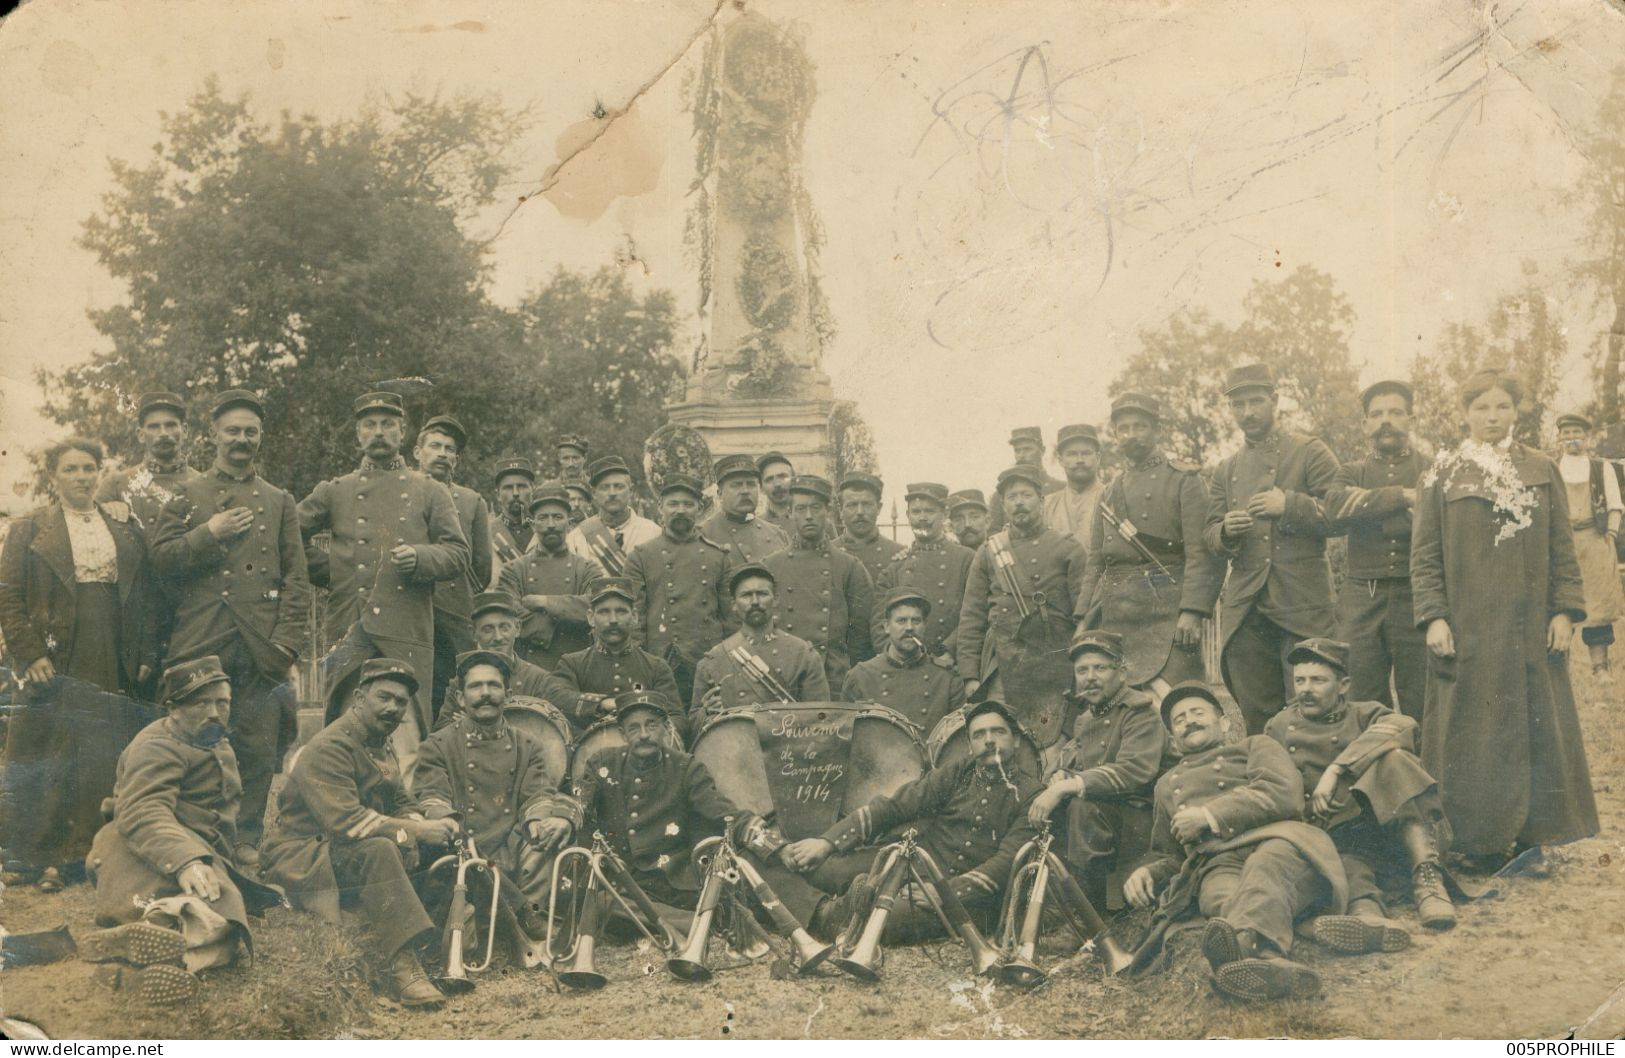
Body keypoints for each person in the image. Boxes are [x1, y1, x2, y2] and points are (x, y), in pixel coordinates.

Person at [1411, 369, 1599, 863]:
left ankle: (1537, 836)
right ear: (1464, 413)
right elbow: (1425, 554)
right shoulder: (1443, 472)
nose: (1492, 418)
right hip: (1467, 629)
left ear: (1516, 412)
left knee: (1536, 726)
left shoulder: (1541, 467)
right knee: (1469, 731)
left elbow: (1563, 547)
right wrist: (1434, 617)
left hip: (1529, 626)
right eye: (1481, 408)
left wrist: (1564, 612)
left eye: (1501, 407)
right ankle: (1472, 841)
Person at [1123, 682, 1386, 1003]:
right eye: (1179, 720)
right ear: (1174, 741)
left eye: (1197, 713)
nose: (1188, 721)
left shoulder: (1255, 746)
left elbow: (1283, 793)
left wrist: (1208, 815)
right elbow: (1174, 856)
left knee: (1264, 872)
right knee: (1220, 896)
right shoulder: (1165, 786)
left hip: (1279, 842)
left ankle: (1259, 957)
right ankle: (1282, 950)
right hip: (1215, 863)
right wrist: (1148, 873)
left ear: (1225, 723)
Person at [151, 390, 310, 858]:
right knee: (197, 740)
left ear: (260, 438)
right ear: (214, 435)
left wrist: (286, 645)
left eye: (250, 432)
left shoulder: (279, 501)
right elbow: (160, 561)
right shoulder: (187, 494)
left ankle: (245, 839)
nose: (241, 439)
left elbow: (297, 579)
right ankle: (194, 835)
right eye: (232, 431)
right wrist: (208, 534)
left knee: (256, 746)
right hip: (204, 636)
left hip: (261, 644)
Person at [0, 438, 156, 893]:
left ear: (99, 473)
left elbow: (142, 596)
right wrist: (30, 654)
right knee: (44, 751)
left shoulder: (122, 526)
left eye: (89, 468)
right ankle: (28, 855)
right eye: (70, 469)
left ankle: (76, 856)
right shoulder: (30, 528)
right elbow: (8, 596)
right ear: (54, 477)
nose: (81, 477)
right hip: (53, 652)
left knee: (97, 753)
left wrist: (144, 653)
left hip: (108, 649)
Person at [260, 659, 459, 1008]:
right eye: (384, 697)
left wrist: (414, 826)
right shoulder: (330, 746)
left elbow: (400, 799)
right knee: (380, 849)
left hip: (343, 848)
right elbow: (347, 823)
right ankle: (403, 966)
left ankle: (483, 934)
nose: (393, 708)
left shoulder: (380, 740)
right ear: (358, 697)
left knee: (446, 842)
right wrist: (412, 832)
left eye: (400, 702)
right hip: (306, 855)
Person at [84, 657, 284, 1001]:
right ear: (173, 708)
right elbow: (142, 811)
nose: (214, 712)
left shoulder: (213, 739)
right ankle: (155, 939)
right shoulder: (156, 745)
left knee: (226, 911)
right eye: (200, 702)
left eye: (222, 702)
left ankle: (141, 953)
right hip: (138, 845)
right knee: (224, 918)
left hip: (185, 846)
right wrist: (188, 861)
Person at [297, 391, 471, 770]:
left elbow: (458, 553)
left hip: (406, 630)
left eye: (388, 424)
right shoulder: (336, 490)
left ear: (403, 431)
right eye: (370, 425)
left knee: (406, 740)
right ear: (358, 435)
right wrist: (336, 569)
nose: (379, 432)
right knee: (346, 734)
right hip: (350, 630)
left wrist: (421, 558)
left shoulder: (430, 490)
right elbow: (287, 539)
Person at [779, 699, 1042, 938]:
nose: (989, 741)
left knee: (884, 918)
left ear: (1016, 740)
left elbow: (1006, 862)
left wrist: (945, 894)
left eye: (999, 732)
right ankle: (833, 910)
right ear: (971, 746)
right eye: (979, 734)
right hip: (915, 864)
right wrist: (827, 843)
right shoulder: (959, 771)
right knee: (821, 868)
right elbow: (895, 807)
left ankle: (826, 915)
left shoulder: (1032, 794)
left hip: (968, 899)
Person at [1263, 639, 1455, 931]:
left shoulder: (1365, 714)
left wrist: (1338, 769)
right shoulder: (1278, 725)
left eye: (1318, 680)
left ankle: (1427, 879)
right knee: (1349, 874)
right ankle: (1368, 917)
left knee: (1396, 759)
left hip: (1379, 827)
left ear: (1343, 685)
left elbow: (1405, 726)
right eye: (1299, 680)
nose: (1306, 689)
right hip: (1324, 833)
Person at [544, 690, 790, 917]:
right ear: (622, 733)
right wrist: (563, 817)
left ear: (665, 727)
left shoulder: (685, 767)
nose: (643, 735)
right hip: (616, 871)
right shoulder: (602, 761)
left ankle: (662, 916)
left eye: (651, 725)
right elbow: (579, 797)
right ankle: (677, 920)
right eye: (634, 728)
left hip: (666, 878)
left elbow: (722, 812)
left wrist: (773, 845)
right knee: (572, 897)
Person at [1203, 363, 1341, 734]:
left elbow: (1342, 513)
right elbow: (1210, 537)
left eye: (1256, 401)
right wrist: (1226, 531)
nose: (1247, 412)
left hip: (1302, 605)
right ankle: (1268, 785)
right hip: (1248, 609)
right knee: (1258, 716)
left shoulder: (1310, 452)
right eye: (1238, 405)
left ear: (1275, 401)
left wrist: (1291, 506)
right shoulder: (1225, 470)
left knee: (1311, 711)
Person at [414, 650, 573, 938]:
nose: (485, 694)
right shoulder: (438, 744)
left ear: (508, 694)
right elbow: (431, 795)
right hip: (462, 844)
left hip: (508, 843)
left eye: (494, 685)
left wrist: (537, 820)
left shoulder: (529, 745)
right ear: (461, 698)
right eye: (476, 686)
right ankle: (517, 917)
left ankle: (526, 917)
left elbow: (537, 795)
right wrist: (447, 821)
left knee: (545, 835)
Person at [1077, 393, 1219, 697]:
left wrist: (1192, 611)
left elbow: (1200, 553)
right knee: (1120, 701)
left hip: (1168, 610)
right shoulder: (1110, 492)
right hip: (1119, 611)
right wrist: (1082, 618)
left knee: (1180, 699)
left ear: (1157, 431)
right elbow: (1096, 562)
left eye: (1139, 427)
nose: (1131, 435)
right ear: (1115, 435)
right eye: (1123, 428)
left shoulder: (1184, 480)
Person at [1027, 631, 1166, 910]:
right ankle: (1047, 905)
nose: (1090, 677)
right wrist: (1062, 775)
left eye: (1100, 668)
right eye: (1082, 670)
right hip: (1106, 819)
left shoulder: (1139, 712)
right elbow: (1079, 763)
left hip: (1141, 822)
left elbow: (1133, 770)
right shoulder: (1087, 718)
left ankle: (1091, 918)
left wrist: (1068, 786)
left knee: (1081, 809)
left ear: (1122, 673)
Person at [1324, 380, 1431, 720]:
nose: (1386, 420)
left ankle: (1423, 771)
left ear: (1411, 419)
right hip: (1362, 598)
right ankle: (1372, 771)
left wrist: (1368, 505)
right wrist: (1402, 498)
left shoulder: (1433, 470)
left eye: (1396, 412)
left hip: (1418, 594)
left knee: (1424, 695)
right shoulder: (1351, 471)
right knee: (1361, 695)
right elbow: (1335, 507)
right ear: (1365, 424)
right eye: (1377, 414)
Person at [956, 465, 1087, 738]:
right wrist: (970, 676)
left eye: (1026, 495)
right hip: (1005, 667)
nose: (1019, 502)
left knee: (1059, 740)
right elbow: (971, 618)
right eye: (1011, 497)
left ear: (1041, 501)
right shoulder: (988, 552)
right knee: (1004, 736)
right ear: (1003, 505)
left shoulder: (1068, 548)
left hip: (1057, 665)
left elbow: (1084, 615)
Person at [94, 391, 202, 686]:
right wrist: (105, 512)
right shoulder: (116, 485)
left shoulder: (203, 485)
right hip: (132, 615)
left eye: (171, 425)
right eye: (154, 426)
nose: (163, 433)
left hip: (186, 612)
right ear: (141, 434)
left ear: (185, 431)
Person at [624, 474, 735, 707]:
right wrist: (640, 665)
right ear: (660, 507)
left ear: (699, 508)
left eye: (688, 504)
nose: (681, 510)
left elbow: (731, 621)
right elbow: (634, 620)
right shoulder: (641, 557)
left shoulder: (718, 557)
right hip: (662, 661)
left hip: (707, 659)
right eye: (673, 504)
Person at [414, 414, 494, 720]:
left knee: (452, 696)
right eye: (435, 445)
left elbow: (481, 569)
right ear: (417, 452)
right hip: (410, 610)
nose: (442, 454)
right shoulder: (401, 491)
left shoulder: (471, 501)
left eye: (449, 449)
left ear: (456, 460)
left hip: (454, 615)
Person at [763, 475, 875, 687]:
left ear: (828, 511)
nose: (808, 516)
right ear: (790, 513)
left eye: (815, 508)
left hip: (832, 676)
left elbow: (861, 634)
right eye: (801, 509)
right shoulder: (771, 566)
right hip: (783, 674)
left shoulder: (849, 566)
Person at [692, 564, 830, 726]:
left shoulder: (802, 654)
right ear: (734, 605)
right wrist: (706, 712)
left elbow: (821, 719)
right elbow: (694, 723)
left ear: (776, 599)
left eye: (762, 594)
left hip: (788, 747)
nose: (755, 601)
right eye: (746, 595)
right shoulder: (714, 660)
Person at [554, 577, 684, 738]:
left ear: (635, 616)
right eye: (604, 612)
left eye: (621, 611)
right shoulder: (572, 663)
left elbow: (678, 720)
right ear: (590, 618)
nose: (613, 620)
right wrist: (601, 704)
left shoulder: (657, 667)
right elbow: (557, 698)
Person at [434, 592, 580, 728]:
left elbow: (554, 729)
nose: (498, 637)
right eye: (488, 629)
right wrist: (460, 727)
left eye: (504, 628)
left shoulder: (537, 679)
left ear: (517, 629)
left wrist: (477, 724)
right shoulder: (460, 681)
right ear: (473, 633)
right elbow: (441, 730)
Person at [498, 483, 604, 670]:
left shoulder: (588, 569)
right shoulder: (513, 570)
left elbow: (597, 607)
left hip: (577, 667)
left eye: (557, 517)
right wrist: (563, 622)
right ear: (532, 523)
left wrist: (546, 602)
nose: (551, 525)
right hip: (528, 667)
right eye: (543, 518)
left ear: (569, 522)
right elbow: (508, 613)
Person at [870, 482, 973, 664]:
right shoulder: (896, 567)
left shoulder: (966, 559)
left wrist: (950, 650)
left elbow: (974, 615)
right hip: (906, 664)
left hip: (950, 662)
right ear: (908, 516)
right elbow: (880, 624)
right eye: (916, 512)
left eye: (929, 511)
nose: (922, 518)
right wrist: (897, 656)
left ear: (945, 514)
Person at [1554, 412, 1623, 680]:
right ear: (1560, 437)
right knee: (1561, 602)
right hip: (1563, 544)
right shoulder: (1554, 466)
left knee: (1599, 608)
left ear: (1587, 437)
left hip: (1594, 541)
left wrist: (1610, 536)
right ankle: (1559, 668)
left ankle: (1600, 667)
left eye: (1577, 433)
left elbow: (1615, 505)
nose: (1572, 438)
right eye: (1566, 433)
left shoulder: (1600, 467)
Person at [841, 587, 965, 734]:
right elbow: (846, 738)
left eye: (916, 621)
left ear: (925, 626)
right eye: (901, 621)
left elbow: (957, 741)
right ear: (886, 627)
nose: (909, 628)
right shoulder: (860, 676)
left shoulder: (946, 677)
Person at [565, 455, 661, 575]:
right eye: (604, 488)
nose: (612, 493)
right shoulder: (577, 538)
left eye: (618, 486)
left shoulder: (653, 533)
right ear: (594, 493)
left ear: (631, 491)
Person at [702, 453, 789, 564]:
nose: (745, 491)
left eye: (751, 484)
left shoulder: (778, 535)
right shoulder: (703, 535)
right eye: (736, 485)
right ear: (720, 493)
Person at [834, 472, 905, 588]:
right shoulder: (828, 553)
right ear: (841, 510)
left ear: (879, 508)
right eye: (852, 505)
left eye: (867, 504)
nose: (860, 512)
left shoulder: (898, 555)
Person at [989, 426, 1066, 532]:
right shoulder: (1000, 495)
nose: (1021, 455)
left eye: (1027, 449)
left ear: (1042, 451)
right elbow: (993, 533)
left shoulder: (1061, 488)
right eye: (1017, 451)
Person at [1044, 423, 1107, 549]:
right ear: (1060, 460)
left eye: (1086, 453)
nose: (1080, 460)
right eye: (1072, 454)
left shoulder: (1112, 496)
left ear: (1098, 457)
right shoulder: (1047, 504)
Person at [490, 457, 537, 583]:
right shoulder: (488, 534)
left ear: (533, 490)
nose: (515, 493)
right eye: (508, 487)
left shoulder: (545, 528)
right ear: (497, 495)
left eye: (521, 486)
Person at [757, 451, 796, 534]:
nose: (777, 484)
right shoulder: (756, 527)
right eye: (769, 479)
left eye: (782, 476)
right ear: (761, 488)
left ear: (794, 480)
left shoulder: (814, 522)